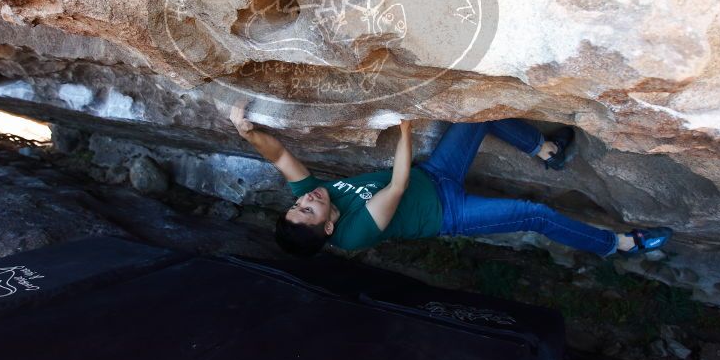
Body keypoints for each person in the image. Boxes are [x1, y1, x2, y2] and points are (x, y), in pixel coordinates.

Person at [228, 102, 672, 258]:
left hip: (436, 174)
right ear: (327, 227)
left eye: (298, 204)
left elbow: (281, 156)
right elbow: (396, 186)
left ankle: (545, 152)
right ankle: (617, 245)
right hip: (449, 212)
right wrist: (405, 130)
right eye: (308, 210)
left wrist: (247, 133)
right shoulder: (353, 234)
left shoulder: (315, 197)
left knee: (478, 114)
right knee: (533, 214)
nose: (306, 199)